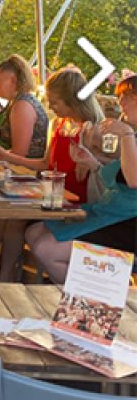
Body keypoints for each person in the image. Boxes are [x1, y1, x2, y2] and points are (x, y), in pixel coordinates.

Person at [26, 75, 137, 283]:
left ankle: (93, 303)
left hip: (127, 223)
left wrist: (127, 135)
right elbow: (121, 175)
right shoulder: (132, 134)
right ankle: (89, 291)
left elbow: (133, 181)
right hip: (109, 212)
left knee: (45, 250)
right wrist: (93, 163)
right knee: (33, 232)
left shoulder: (129, 134)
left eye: (127, 96)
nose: (120, 102)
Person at [0, 66, 104, 203]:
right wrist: (6, 156)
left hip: (75, 200)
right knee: (4, 210)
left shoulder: (93, 130)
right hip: (50, 195)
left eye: (54, 102)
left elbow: (107, 172)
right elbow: (45, 164)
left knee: (15, 215)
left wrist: (91, 163)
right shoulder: (57, 124)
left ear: (72, 101)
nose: (50, 107)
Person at [0, 54, 49, 280]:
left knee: (7, 220)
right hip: (24, 174)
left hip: (30, 176)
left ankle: (0, 271)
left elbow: (19, 152)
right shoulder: (20, 102)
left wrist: (0, 156)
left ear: (13, 80)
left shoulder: (22, 105)